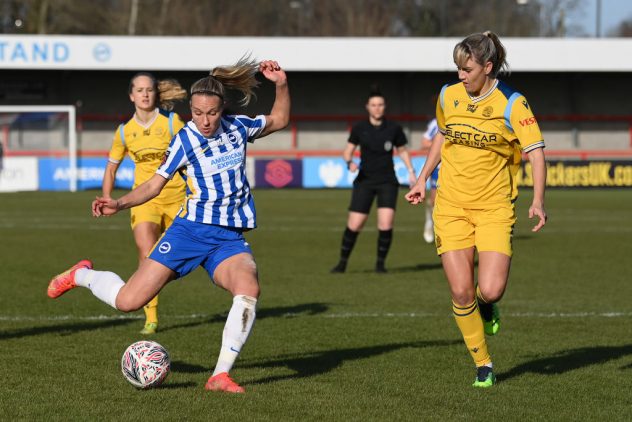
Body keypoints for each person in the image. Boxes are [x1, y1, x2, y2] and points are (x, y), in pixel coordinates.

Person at [47, 58, 290, 394]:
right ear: (191, 109)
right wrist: (118, 202)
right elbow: (153, 186)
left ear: (223, 110)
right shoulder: (185, 140)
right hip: (189, 232)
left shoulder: (238, 128)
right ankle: (81, 275)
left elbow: (279, 118)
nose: (204, 121)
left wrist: (281, 84)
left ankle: (219, 376)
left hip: (227, 239)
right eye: (198, 113)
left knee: (248, 290)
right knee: (129, 301)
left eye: (212, 113)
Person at [405, 31, 547, 388]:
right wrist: (422, 178)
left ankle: (488, 307)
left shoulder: (513, 103)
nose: (460, 76)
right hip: (451, 205)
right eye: (457, 69)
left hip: (494, 207)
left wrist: (539, 200)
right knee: (460, 292)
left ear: (487, 66)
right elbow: (442, 134)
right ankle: (483, 363)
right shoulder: (447, 95)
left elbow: (537, 153)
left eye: (467, 70)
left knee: (491, 289)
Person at [103, 72, 187, 335]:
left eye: (149, 89)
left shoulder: (173, 123)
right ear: (131, 96)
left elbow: (194, 154)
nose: (145, 94)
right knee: (146, 252)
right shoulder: (125, 132)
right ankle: (151, 316)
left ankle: (157, 279)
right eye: (139, 90)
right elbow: (111, 167)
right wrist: (108, 198)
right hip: (144, 200)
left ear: (155, 93)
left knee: (183, 259)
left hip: (178, 197)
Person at [331, 89, 417, 274]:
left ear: (384, 107)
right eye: (373, 105)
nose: (377, 108)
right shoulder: (359, 128)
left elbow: (402, 150)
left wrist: (411, 172)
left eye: (380, 105)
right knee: (355, 225)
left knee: (385, 224)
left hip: (387, 182)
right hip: (365, 181)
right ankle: (342, 263)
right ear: (367, 107)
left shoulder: (394, 128)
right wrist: (349, 162)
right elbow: (347, 151)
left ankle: (380, 265)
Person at [419, 114, 444, 244]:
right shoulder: (436, 123)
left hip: (460, 168)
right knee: (434, 200)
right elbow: (424, 142)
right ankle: (430, 221)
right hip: (440, 167)